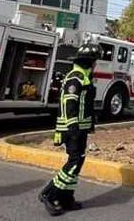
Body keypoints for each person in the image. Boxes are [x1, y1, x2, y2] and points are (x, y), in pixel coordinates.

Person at [39, 42, 101, 216]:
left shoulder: (83, 76)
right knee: (74, 161)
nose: (96, 64)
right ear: (89, 61)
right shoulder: (76, 77)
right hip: (73, 128)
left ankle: (66, 198)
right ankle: (50, 194)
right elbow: (69, 102)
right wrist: (73, 126)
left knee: (78, 161)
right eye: (95, 60)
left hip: (80, 128)